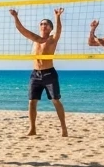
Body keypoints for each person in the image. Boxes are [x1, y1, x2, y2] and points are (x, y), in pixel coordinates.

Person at [10, 7, 68, 137]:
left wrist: (57, 17)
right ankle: (32, 129)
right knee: (32, 102)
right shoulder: (35, 39)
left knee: (55, 100)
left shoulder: (52, 39)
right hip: (35, 74)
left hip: (49, 73)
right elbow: (22, 30)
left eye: (46, 24)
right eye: (41, 24)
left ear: (50, 28)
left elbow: (59, 31)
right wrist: (15, 17)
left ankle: (64, 129)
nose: (43, 25)